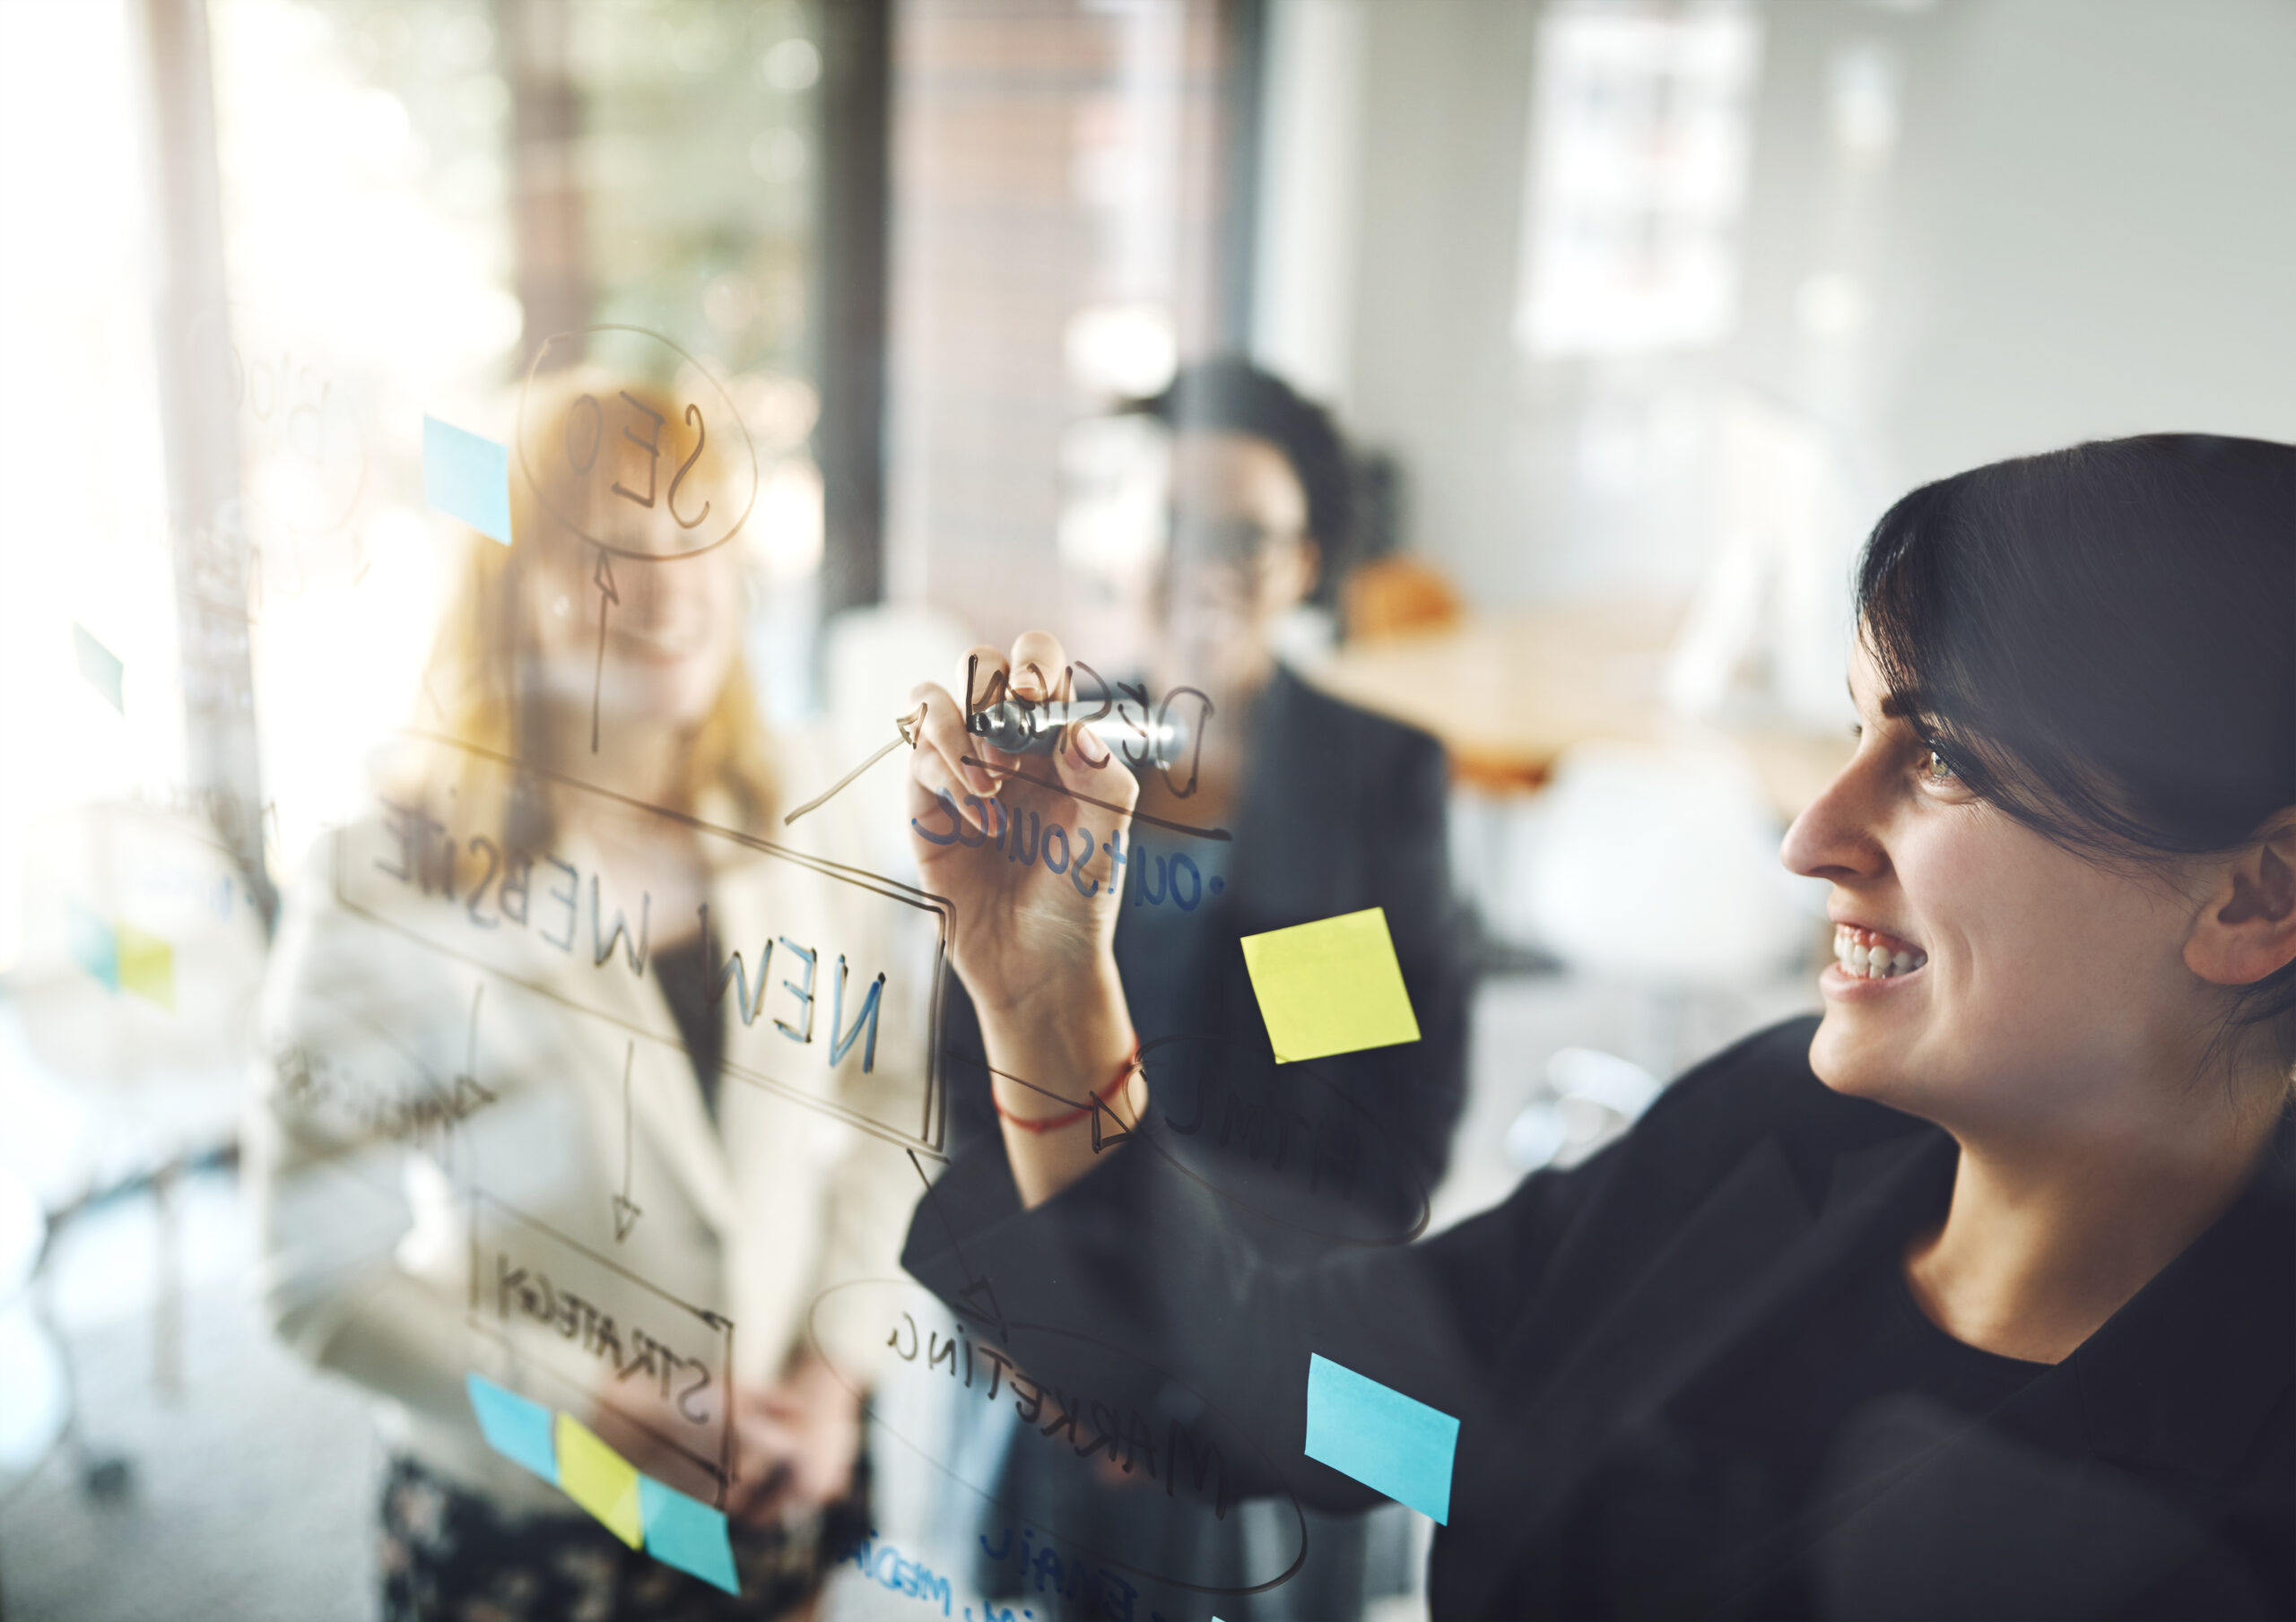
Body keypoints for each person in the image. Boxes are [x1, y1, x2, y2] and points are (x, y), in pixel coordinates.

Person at [896, 434, 2295, 1618]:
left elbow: (1373, 1103)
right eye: (1860, 729)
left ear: (2255, 895)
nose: (1809, 834)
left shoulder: (1370, 770)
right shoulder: (1771, 1141)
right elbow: (1346, 1411)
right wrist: (1045, 988)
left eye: (1940, 756)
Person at [247, 377, 923, 1620]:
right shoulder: (385, 873)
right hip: (533, 1526)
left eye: (694, 531)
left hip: (776, 1470)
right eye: (607, 546)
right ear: (507, 592)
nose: (667, 587)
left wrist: (835, 1374)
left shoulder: (808, 792)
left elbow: (894, 1102)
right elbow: (313, 1271)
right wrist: (581, 1404)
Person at [929, 359, 1471, 1617]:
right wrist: (1059, 1353)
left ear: (1307, 561)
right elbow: (968, 1074)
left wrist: (1229, 1363)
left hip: (1271, 1337)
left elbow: (1375, 1134)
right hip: (1064, 1337)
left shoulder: (1374, 778)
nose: (1199, 564)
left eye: (1244, 536)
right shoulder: (1050, 751)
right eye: (1171, 523)